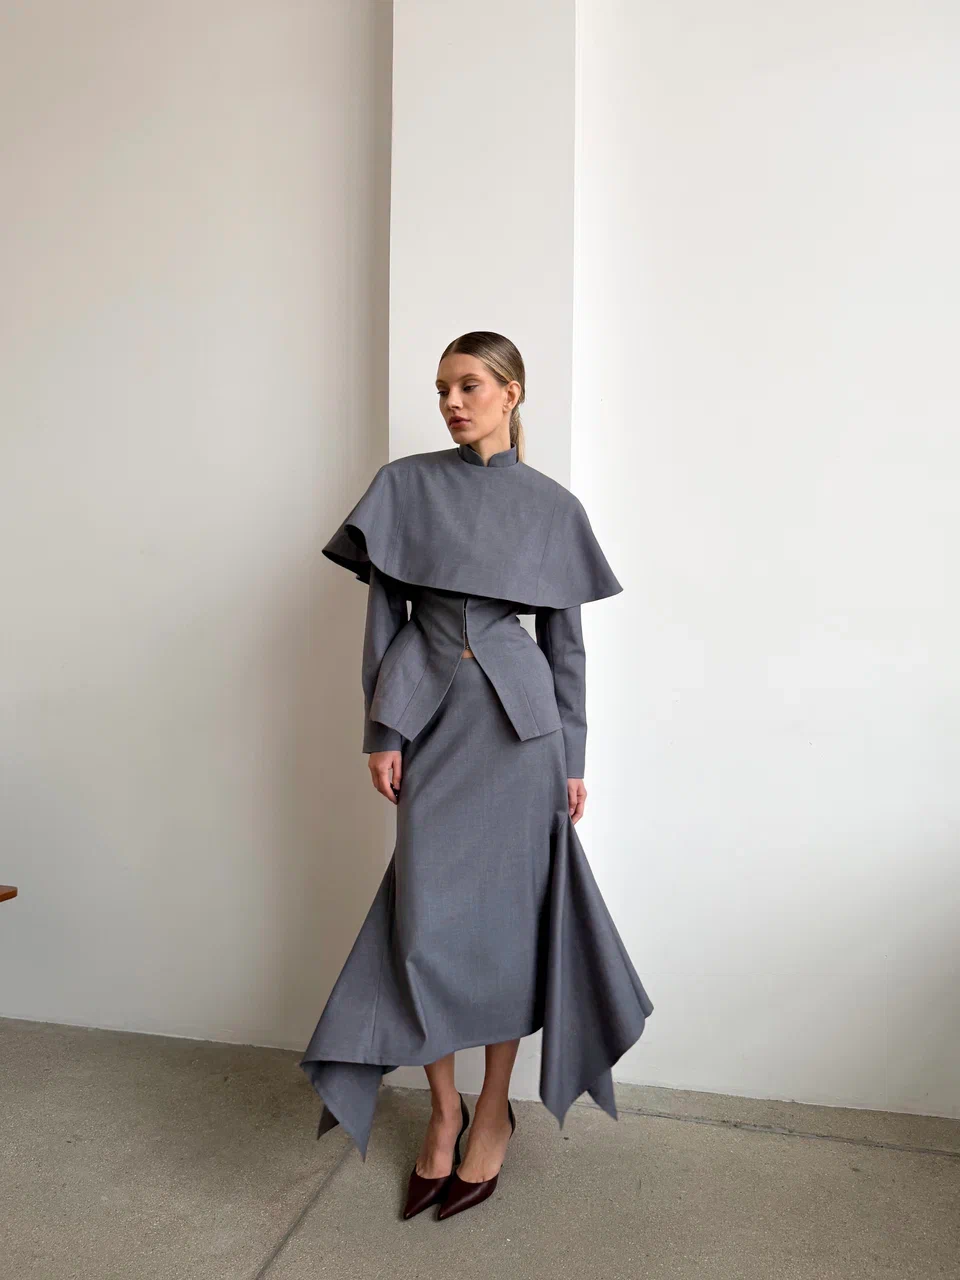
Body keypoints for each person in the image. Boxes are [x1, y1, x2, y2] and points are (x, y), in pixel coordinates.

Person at [299, 331, 653, 1221]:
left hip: (522, 735)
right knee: (426, 927)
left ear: (511, 392)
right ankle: (443, 1110)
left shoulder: (553, 507)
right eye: (442, 389)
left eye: (468, 386)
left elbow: (566, 650)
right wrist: (383, 729)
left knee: (507, 932)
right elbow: (385, 621)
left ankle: (493, 1111)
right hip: (429, 719)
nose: (452, 403)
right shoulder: (404, 486)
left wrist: (572, 760)